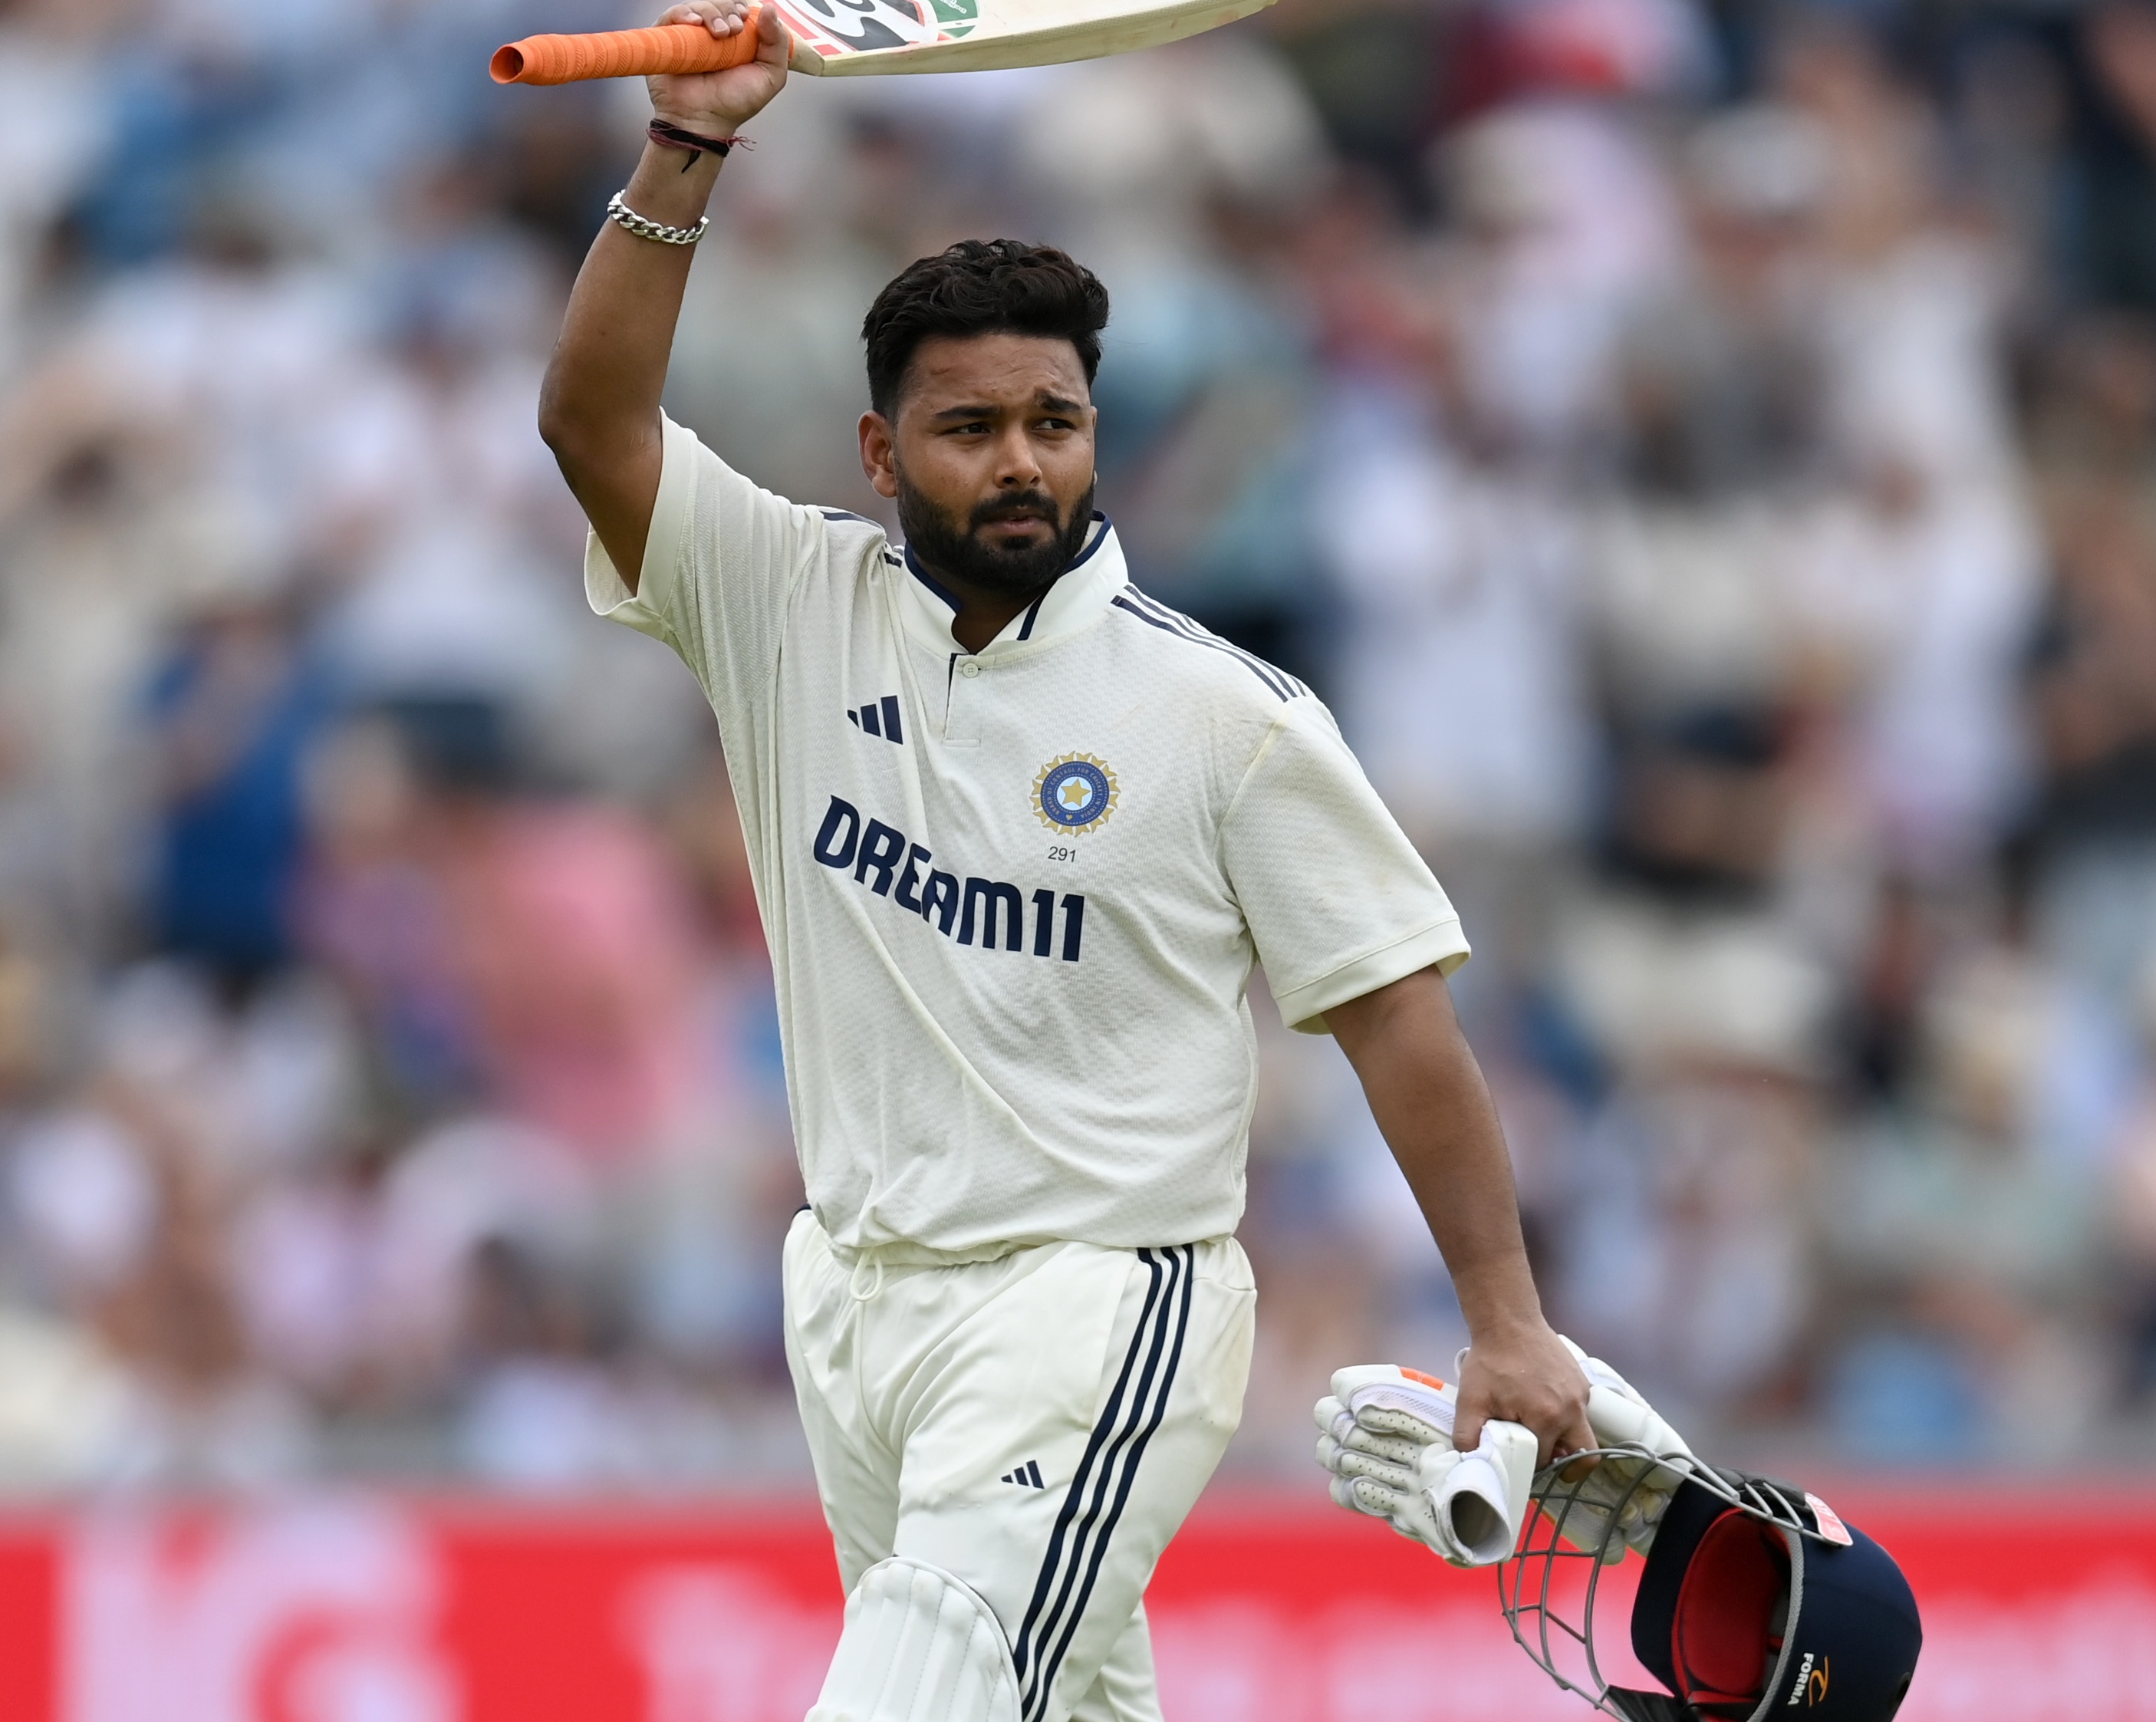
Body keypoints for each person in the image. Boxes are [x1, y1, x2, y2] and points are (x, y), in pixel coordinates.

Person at [534, 7, 1594, 1715]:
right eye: (970, 428)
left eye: (1056, 418)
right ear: (883, 454)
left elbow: (1400, 1019)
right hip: (858, 1305)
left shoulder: (1222, 713)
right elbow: (594, 428)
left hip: (1098, 1310)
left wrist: (1507, 1318)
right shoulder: (788, 603)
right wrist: (685, 152)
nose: (1022, 459)